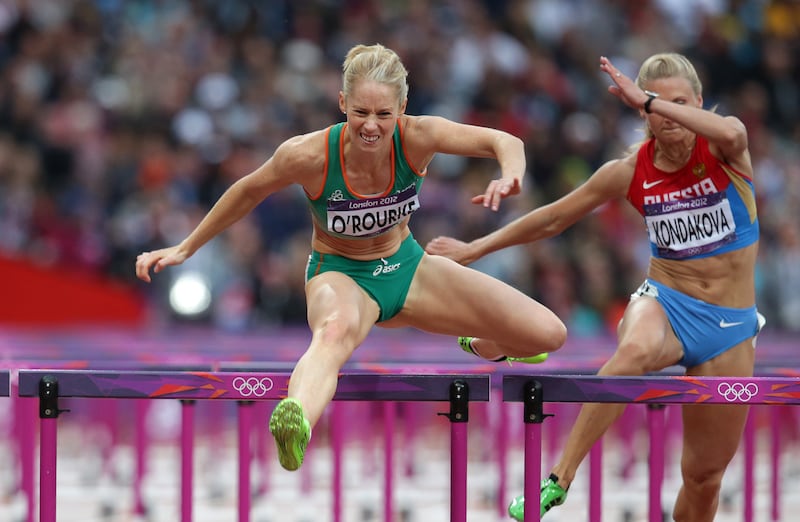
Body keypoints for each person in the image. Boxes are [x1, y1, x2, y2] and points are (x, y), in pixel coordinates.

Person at [135, 43, 567, 472]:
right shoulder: (308, 154)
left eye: (384, 114)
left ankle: (482, 345)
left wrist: (511, 173)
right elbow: (248, 189)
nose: (372, 127)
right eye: (360, 112)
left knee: (547, 335)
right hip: (341, 275)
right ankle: (297, 419)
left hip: (408, 268)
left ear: (403, 107)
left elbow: (503, 139)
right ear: (342, 102)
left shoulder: (419, 136)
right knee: (333, 335)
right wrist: (186, 246)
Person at [426, 53, 764, 521]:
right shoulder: (628, 171)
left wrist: (649, 99)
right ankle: (559, 479)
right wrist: (475, 248)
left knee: (703, 478)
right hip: (668, 303)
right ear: (641, 115)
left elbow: (732, 131)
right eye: (655, 107)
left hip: (730, 324)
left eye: (678, 104)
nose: (667, 115)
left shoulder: (727, 147)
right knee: (634, 351)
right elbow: (554, 217)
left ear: (699, 103)